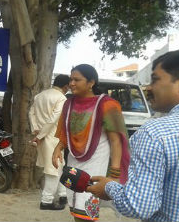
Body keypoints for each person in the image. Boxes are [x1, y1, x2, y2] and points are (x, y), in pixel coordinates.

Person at [87, 49, 179, 222]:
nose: (148, 87)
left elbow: (139, 205)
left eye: (155, 79)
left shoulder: (156, 133)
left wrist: (109, 187)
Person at [51, 64, 130, 222]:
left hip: (96, 164)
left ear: (91, 82)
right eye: (70, 79)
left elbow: (116, 141)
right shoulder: (68, 104)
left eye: (77, 80)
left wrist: (114, 175)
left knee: (86, 208)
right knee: (75, 205)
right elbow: (65, 132)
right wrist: (58, 148)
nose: (71, 83)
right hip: (74, 161)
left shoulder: (107, 104)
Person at [28, 74, 70, 211]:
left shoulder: (39, 96)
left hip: (43, 137)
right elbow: (53, 119)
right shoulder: (61, 98)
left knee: (59, 166)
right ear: (65, 86)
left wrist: (35, 129)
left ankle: (63, 195)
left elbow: (31, 113)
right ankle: (46, 201)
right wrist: (40, 135)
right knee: (54, 168)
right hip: (53, 137)